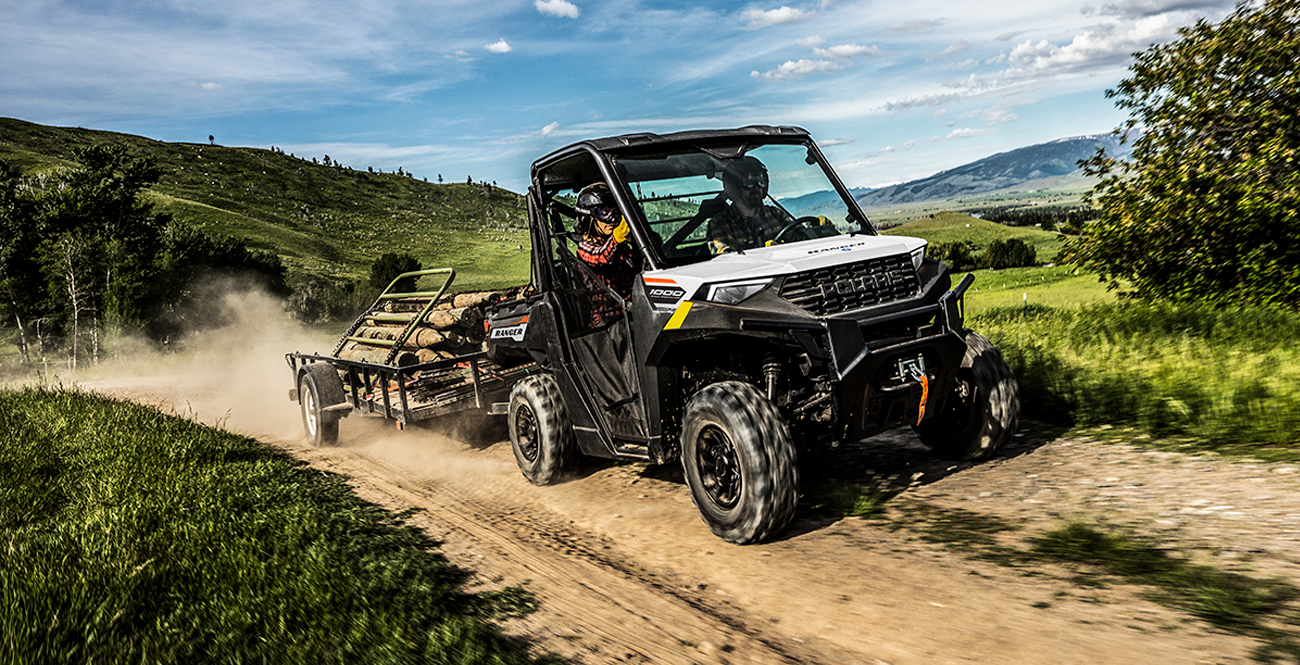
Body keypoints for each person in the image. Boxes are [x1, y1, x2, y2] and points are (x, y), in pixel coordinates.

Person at [706, 156, 792, 254]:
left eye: (760, 181)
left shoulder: (775, 214)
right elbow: (728, 262)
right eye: (749, 182)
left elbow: (801, 236)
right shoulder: (720, 224)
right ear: (734, 187)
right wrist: (768, 251)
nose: (757, 188)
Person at [573, 182, 641, 299]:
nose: (613, 219)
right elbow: (602, 256)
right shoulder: (584, 248)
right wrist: (617, 239)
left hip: (634, 308)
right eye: (605, 214)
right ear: (589, 218)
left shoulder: (623, 249)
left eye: (616, 213)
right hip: (609, 315)